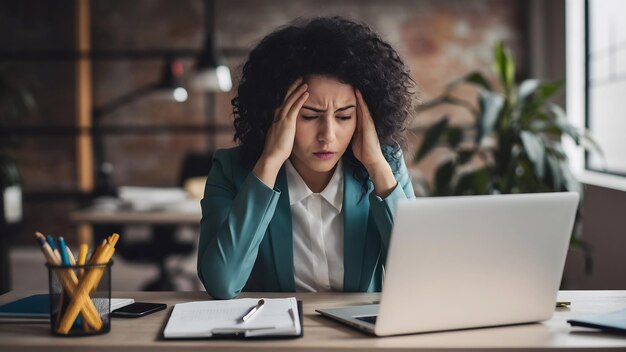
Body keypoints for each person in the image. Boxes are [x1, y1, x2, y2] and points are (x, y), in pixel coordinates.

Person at [197, 16, 416, 299]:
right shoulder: (229, 170)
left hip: (359, 340)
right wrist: (269, 162)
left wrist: (377, 167)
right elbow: (221, 283)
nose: (328, 135)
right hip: (277, 338)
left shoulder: (386, 165)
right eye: (309, 116)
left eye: (344, 116)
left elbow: (418, 276)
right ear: (274, 115)